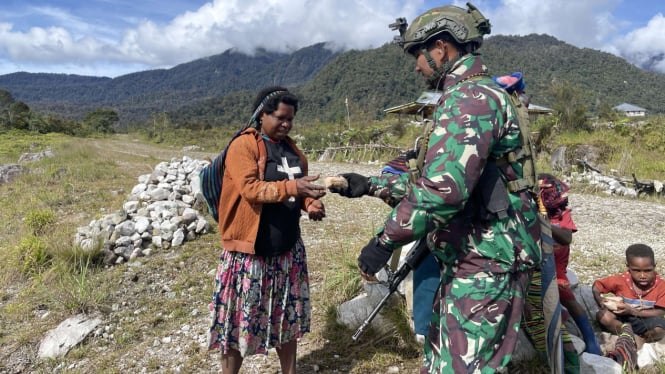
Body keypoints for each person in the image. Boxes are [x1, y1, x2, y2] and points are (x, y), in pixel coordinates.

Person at [329, 3, 542, 373]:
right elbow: (434, 181)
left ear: (441, 48)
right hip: (469, 257)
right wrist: (369, 185)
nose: (416, 66)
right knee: (444, 360)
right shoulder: (467, 97)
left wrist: (384, 241)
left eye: (418, 55)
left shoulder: (472, 100)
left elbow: (443, 192)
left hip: (485, 262)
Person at [208, 86, 327, 374]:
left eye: (290, 119)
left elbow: (298, 189)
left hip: (287, 253)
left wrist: (309, 203)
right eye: (280, 118)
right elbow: (250, 189)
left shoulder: (292, 150)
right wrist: (292, 187)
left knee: (287, 320)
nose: (286, 124)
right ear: (262, 115)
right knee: (238, 324)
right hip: (250, 255)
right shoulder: (243, 146)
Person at [538, 173, 602, 355]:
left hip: (556, 265)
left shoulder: (561, 214)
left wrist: (544, 224)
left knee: (565, 295)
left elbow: (566, 238)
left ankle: (590, 338)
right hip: (537, 262)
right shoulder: (529, 212)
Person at [593, 243, 665, 348]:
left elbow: (660, 312)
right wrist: (600, 300)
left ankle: (643, 339)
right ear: (628, 267)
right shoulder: (621, 280)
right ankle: (631, 336)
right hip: (623, 319)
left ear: (654, 266)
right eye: (636, 270)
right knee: (603, 316)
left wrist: (633, 311)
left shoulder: (661, 286)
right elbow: (596, 286)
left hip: (647, 320)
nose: (642, 275)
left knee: (660, 330)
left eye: (648, 270)